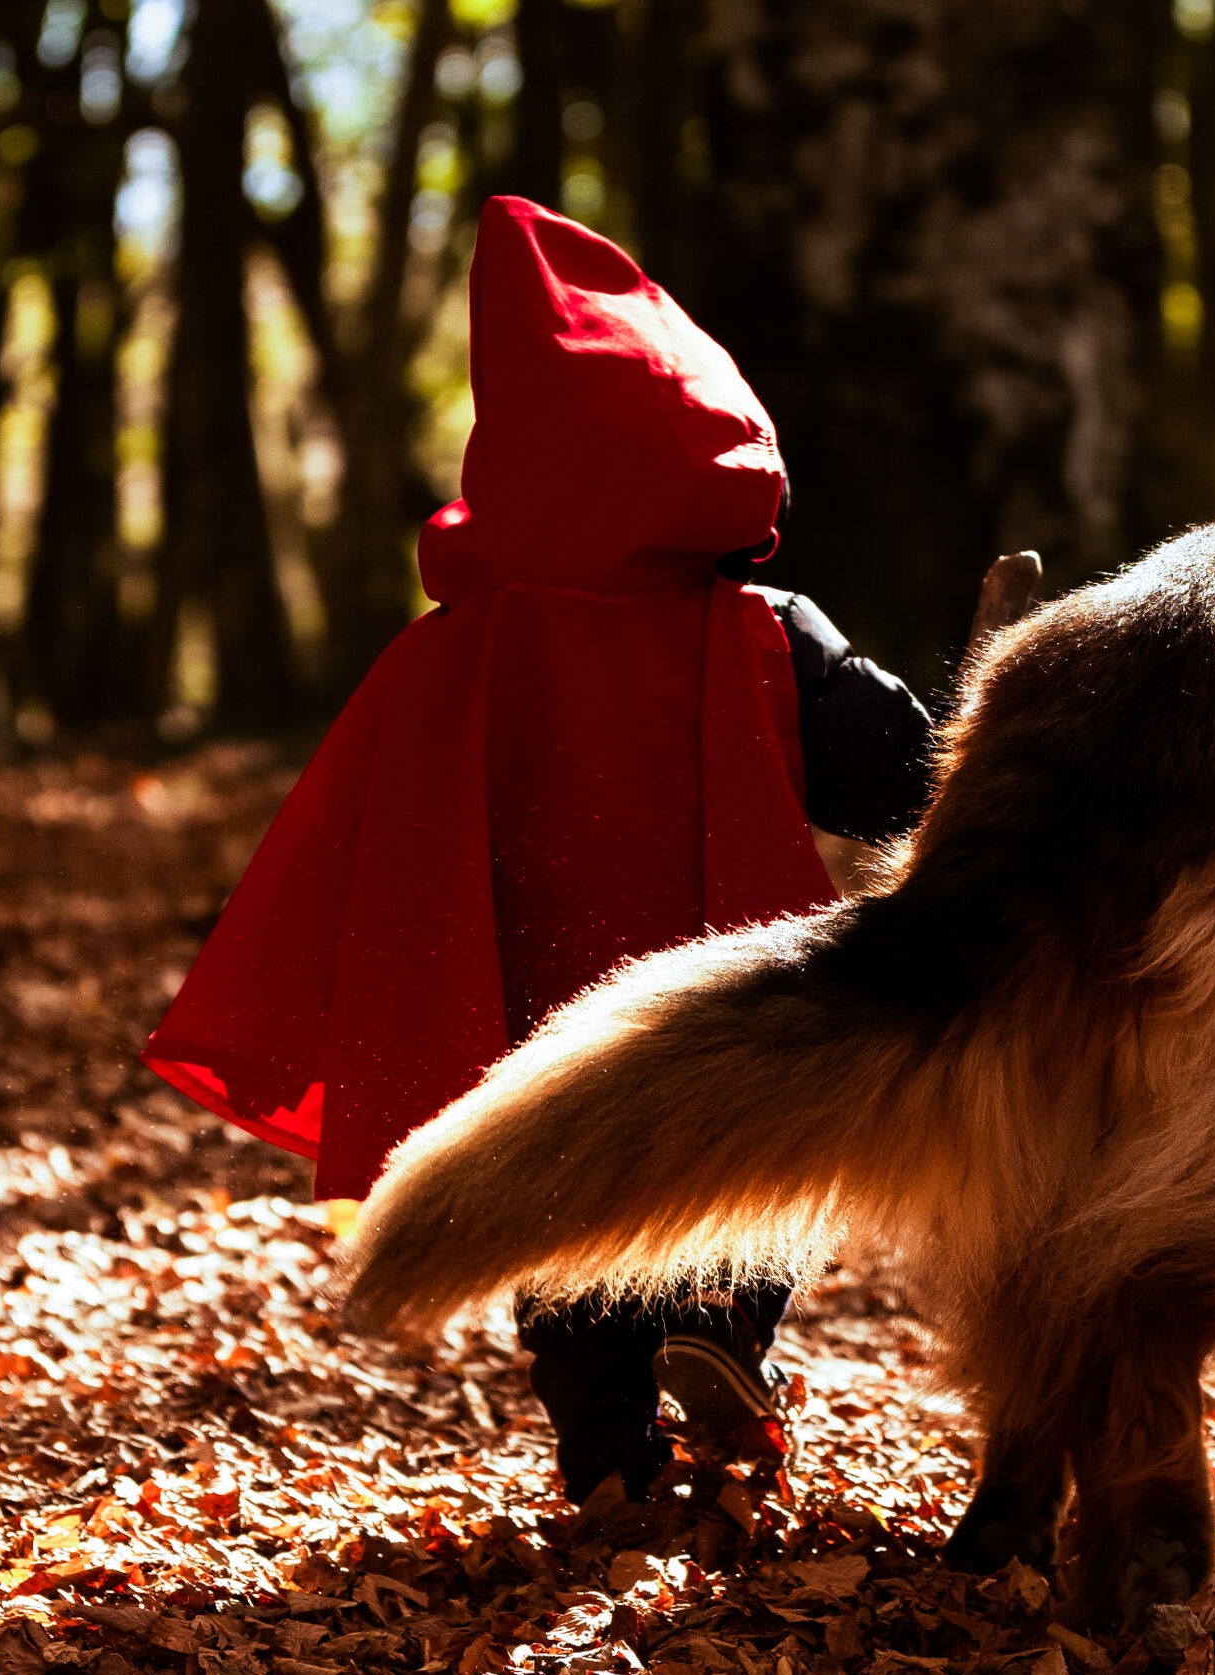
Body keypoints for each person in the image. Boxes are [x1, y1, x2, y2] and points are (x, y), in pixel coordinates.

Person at [143, 196, 936, 1505]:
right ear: (698, 430)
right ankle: (724, 1331)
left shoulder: (453, 651)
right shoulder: (757, 626)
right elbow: (892, 773)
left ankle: (609, 1452)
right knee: (747, 1182)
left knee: (564, 1238)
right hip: (720, 1006)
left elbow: (365, 834)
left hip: (529, 1022)